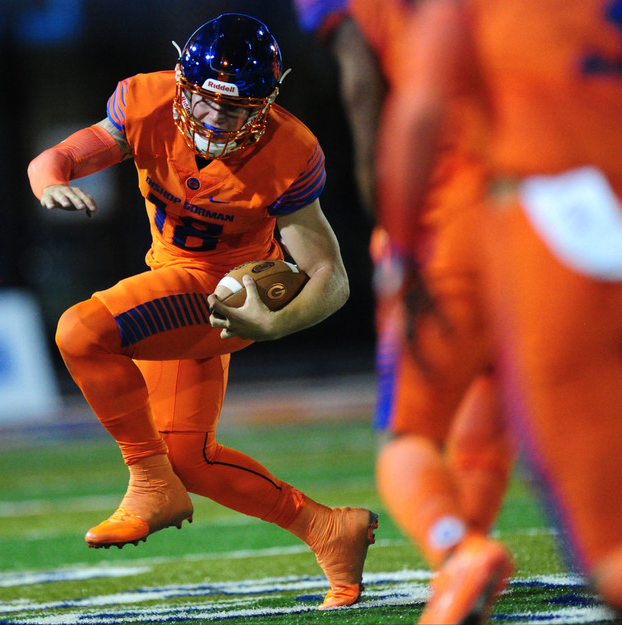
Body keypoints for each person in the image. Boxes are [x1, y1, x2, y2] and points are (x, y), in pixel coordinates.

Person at [27, 13, 378, 611]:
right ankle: (328, 529)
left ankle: (148, 481)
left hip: (223, 299)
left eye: (238, 108)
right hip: (170, 280)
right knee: (192, 457)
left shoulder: (289, 151)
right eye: (207, 102)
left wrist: (273, 324)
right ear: (183, 84)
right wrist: (48, 183)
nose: (217, 120)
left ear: (266, 102)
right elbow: (58, 157)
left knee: (81, 331)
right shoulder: (147, 100)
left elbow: (332, 277)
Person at [378, 0, 622, 621]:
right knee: (487, 438)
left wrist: (397, 250)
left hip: (519, 214)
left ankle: (456, 549)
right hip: (578, 194)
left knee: (412, 435)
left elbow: (416, 109)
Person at [293, 1, 515, 621]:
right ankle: (466, 563)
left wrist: (396, 225)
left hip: (457, 208)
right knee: (497, 408)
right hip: (566, 206)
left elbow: (371, 89)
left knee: (406, 434)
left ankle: (455, 550)